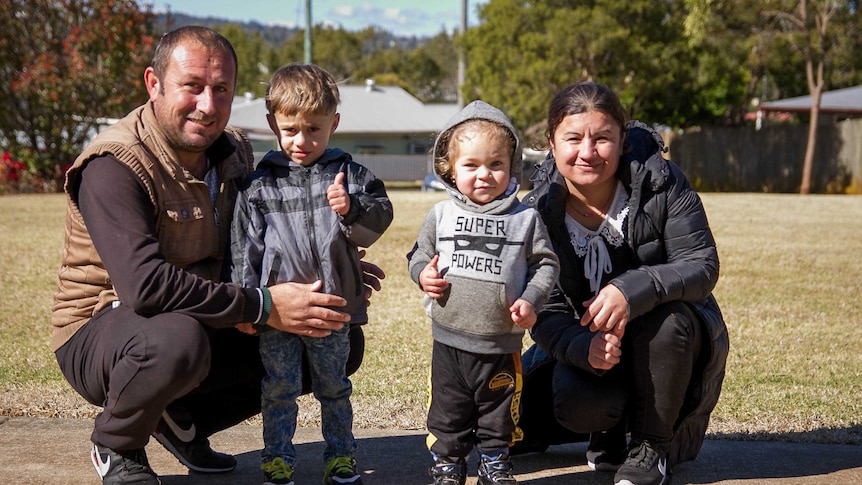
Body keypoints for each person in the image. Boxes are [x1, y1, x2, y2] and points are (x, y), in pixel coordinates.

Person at [50, 26, 381, 485]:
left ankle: (181, 420)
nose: (207, 105)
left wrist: (325, 269)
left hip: (196, 312)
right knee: (175, 343)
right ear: (154, 84)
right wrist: (264, 304)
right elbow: (145, 288)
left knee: (326, 330)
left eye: (220, 89)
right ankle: (117, 443)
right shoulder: (113, 165)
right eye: (192, 86)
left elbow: (265, 237)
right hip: (105, 327)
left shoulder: (236, 152)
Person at [513, 81, 729, 485]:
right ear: (551, 142)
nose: (588, 152)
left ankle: (652, 448)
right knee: (570, 405)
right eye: (573, 138)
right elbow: (545, 309)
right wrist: (584, 348)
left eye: (603, 138)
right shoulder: (536, 211)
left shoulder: (661, 183)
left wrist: (631, 289)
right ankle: (607, 431)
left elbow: (702, 265)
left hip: (673, 340)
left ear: (623, 139)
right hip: (591, 341)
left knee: (667, 323)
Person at [230, 63, 393, 485]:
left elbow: (378, 223)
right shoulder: (259, 184)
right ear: (273, 125)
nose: (302, 141)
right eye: (290, 129)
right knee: (278, 388)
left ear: (334, 123)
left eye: (314, 130)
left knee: (333, 387)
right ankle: (278, 457)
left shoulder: (351, 176)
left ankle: (341, 456)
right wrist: (248, 302)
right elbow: (244, 247)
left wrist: (351, 209)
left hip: (332, 307)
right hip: (276, 312)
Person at [407, 100, 560, 485]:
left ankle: (495, 462)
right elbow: (419, 256)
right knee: (448, 408)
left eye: (496, 165)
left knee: (499, 407)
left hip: (501, 343)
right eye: (471, 165)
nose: (484, 175)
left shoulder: (524, 219)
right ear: (450, 169)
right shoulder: (440, 216)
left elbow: (546, 265)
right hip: (449, 339)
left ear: (512, 168)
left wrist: (531, 300)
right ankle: (448, 463)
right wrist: (422, 275)